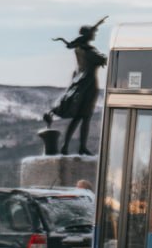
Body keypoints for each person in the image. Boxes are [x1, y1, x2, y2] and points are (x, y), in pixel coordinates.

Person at [44, 17, 108, 156]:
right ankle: (80, 147)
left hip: (81, 82)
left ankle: (68, 146)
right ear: (87, 35)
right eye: (93, 33)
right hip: (88, 84)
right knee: (84, 117)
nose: (95, 35)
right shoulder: (87, 50)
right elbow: (102, 59)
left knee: (80, 117)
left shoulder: (80, 48)